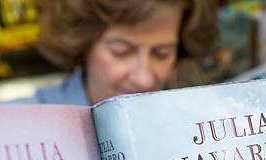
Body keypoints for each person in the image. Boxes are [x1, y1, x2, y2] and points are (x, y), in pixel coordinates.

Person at [14, 0, 217, 105]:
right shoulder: (22, 129)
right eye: (120, 52)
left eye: (162, 53)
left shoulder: (192, 122)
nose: (144, 79)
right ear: (82, 44)